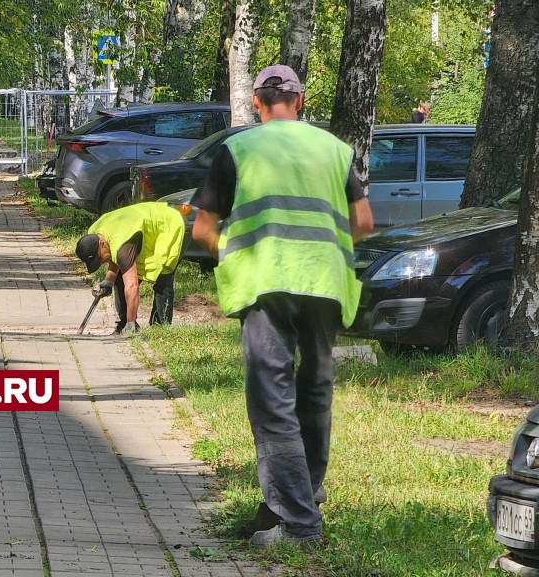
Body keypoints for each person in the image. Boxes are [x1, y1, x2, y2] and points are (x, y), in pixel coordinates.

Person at [190, 64, 373, 548]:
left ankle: (299, 526)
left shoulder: (239, 149)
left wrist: (233, 253)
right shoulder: (335, 150)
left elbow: (202, 230)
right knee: (314, 395)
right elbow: (364, 221)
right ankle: (291, 504)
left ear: (256, 102)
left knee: (273, 403)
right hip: (324, 284)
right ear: (301, 100)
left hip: (266, 284)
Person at [75, 202, 186, 334]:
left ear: (102, 243)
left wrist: (131, 322)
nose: (101, 262)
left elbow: (132, 286)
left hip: (170, 224)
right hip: (145, 226)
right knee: (119, 280)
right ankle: (124, 324)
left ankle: (159, 328)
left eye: (99, 258)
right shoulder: (96, 232)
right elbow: (114, 252)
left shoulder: (123, 247)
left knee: (163, 278)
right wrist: (108, 281)